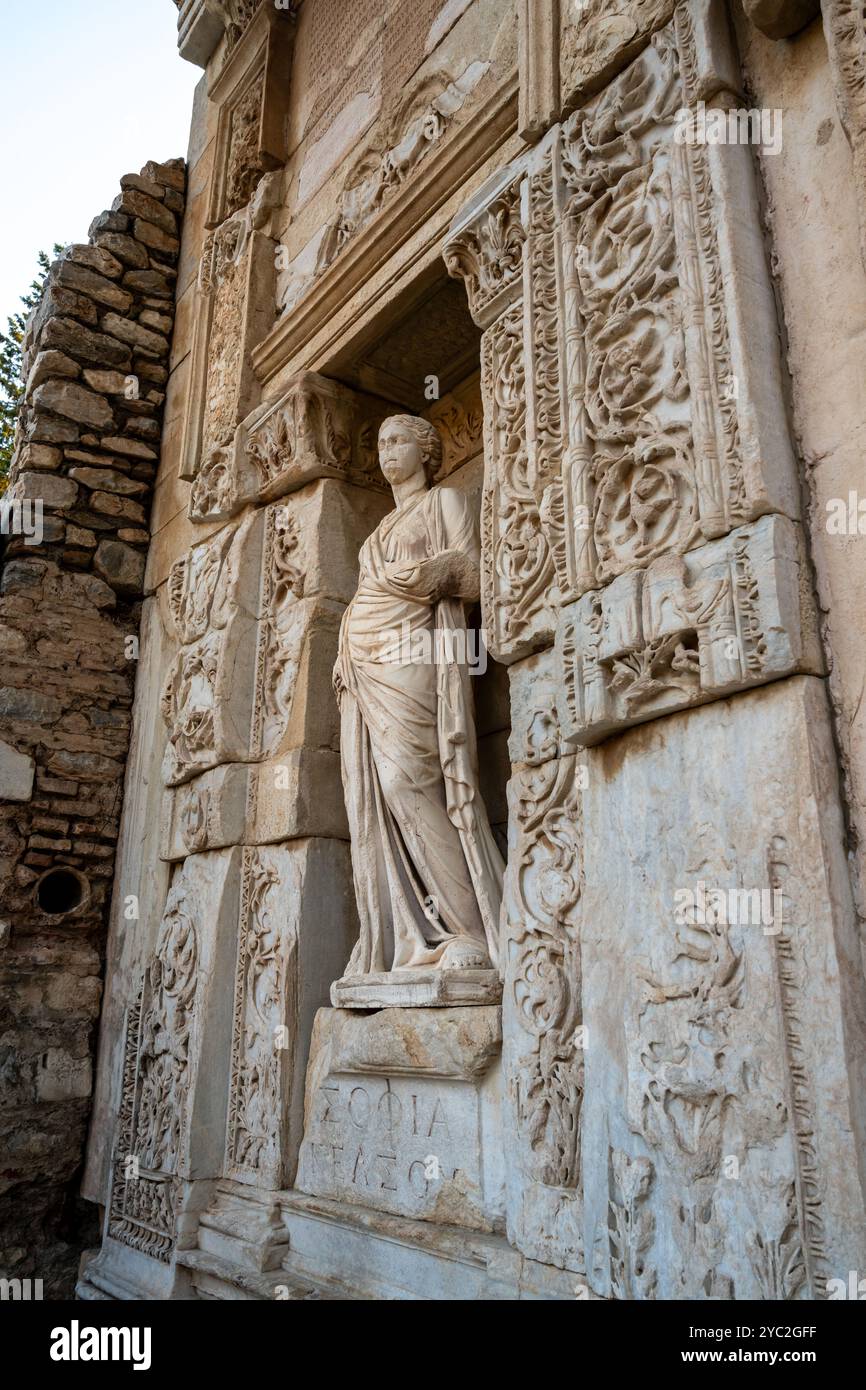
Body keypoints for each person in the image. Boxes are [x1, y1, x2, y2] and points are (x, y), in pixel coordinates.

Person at [333, 414, 503, 976]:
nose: (387, 452)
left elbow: (473, 576)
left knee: (412, 778)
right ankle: (417, 936)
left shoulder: (445, 502)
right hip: (367, 667)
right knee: (384, 790)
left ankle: (471, 931)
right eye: (380, 443)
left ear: (425, 450)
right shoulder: (377, 532)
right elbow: (363, 595)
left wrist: (424, 575)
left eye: (399, 440)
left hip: (416, 656)